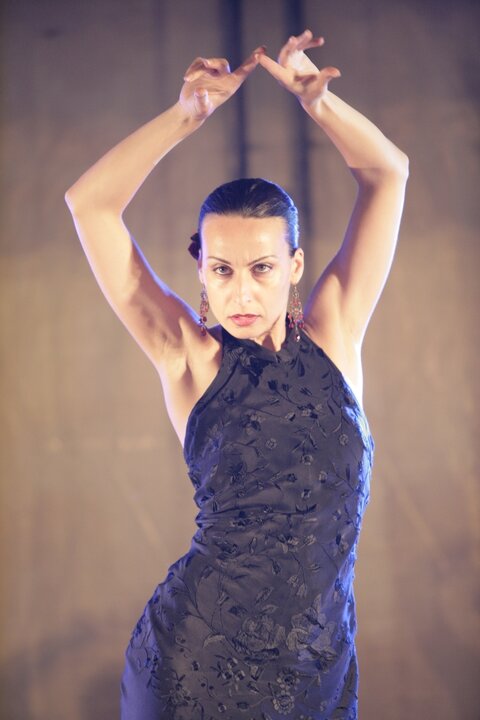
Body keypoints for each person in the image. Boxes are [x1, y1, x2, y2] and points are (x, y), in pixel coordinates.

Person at [65, 29, 408, 720]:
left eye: (262, 268)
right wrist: (185, 114)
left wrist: (321, 105)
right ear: (201, 270)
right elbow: (89, 204)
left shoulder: (337, 331)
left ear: (295, 267)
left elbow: (388, 173)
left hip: (319, 673)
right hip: (196, 670)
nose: (241, 292)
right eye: (221, 270)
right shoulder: (189, 358)